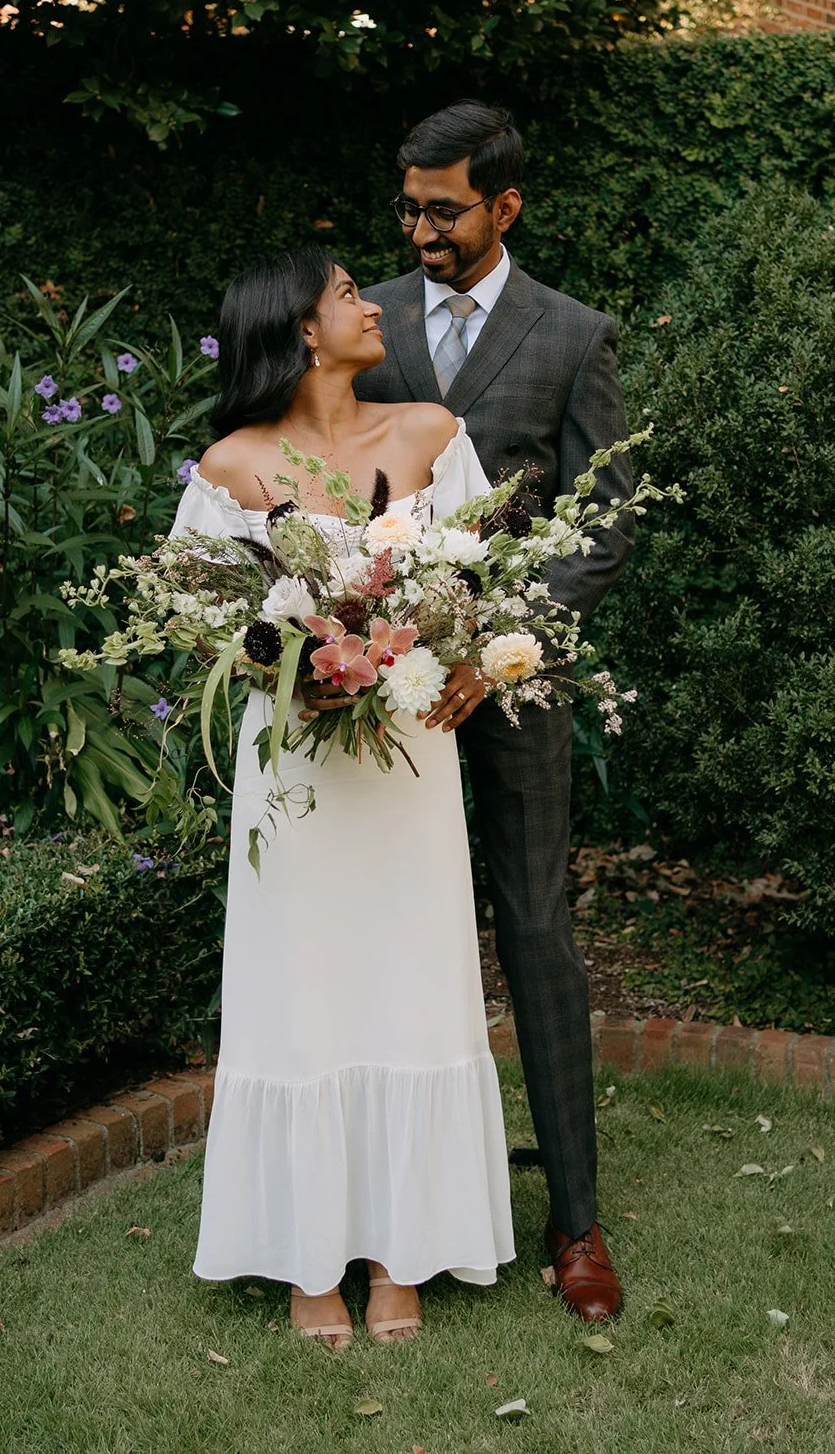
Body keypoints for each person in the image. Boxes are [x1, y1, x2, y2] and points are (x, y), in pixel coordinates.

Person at [170, 246, 515, 1349]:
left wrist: (467, 658)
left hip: (410, 752)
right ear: (304, 332)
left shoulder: (428, 434)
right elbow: (197, 622)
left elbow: (477, 588)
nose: (372, 306)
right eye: (346, 295)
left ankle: (397, 1254)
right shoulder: (230, 465)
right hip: (298, 772)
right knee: (303, 989)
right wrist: (295, 667)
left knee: (410, 980)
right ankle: (310, 1258)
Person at [355, 101, 635, 1322]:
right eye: (407, 205)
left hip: (513, 688)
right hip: (381, 695)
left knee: (535, 933)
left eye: (442, 208)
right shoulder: (358, 326)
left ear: (502, 207)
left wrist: (502, 651)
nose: (417, 227)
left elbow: (608, 515)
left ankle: (572, 1222)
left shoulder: (573, 336)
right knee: (383, 941)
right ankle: (379, 1215)